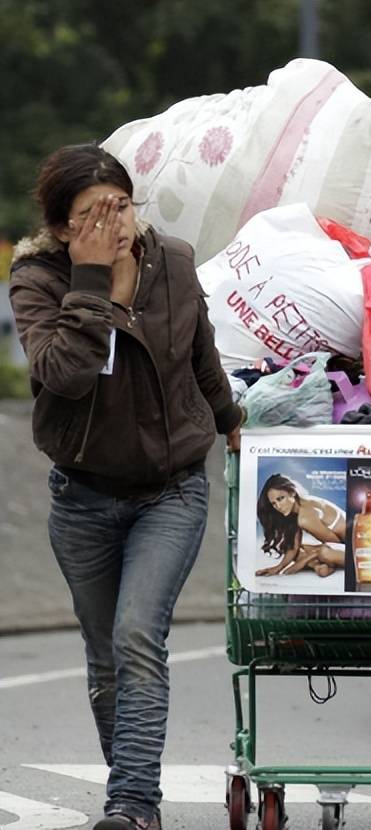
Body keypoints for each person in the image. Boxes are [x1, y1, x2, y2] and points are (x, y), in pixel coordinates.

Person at [8, 144, 243, 830]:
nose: (113, 224)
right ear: (61, 228)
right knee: (106, 655)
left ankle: (133, 805)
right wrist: (91, 284)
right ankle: (130, 784)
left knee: (139, 636)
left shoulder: (170, 259)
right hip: (82, 497)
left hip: (171, 489)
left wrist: (231, 420)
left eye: (120, 206)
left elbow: (200, 352)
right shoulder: (39, 279)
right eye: (91, 215)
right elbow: (65, 374)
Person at [254, 473, 345, 578]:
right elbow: (294, 547)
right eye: (273, 503)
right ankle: (320, 566)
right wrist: (278, 568)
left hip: (355, 549)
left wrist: (301, 563)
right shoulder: (297, 508)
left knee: (325, 552)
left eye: (280, 499)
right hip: (340, 548)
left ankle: (323, 565)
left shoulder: (304, 517)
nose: (278, 506)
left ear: (292, 492)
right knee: (291, 548)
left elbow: (334, 542)